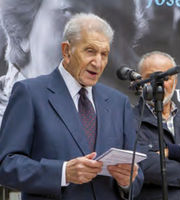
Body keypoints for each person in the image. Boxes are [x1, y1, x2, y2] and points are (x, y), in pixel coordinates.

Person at [0, 13, 143, 200]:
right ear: (67, 51)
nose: (98, 63)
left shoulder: (119, 102)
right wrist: (63, 172)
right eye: (90, 51)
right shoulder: (29, 93)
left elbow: (137, 177)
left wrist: (127, 182)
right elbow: (6, 166)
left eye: (104, 54)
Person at [133, 51, 180, 200]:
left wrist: (172, 152)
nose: (159, 84)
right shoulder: (128, 120)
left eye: (166, 78)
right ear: (139, 82)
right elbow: (142, 165)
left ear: (175, 82)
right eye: (151, 78)